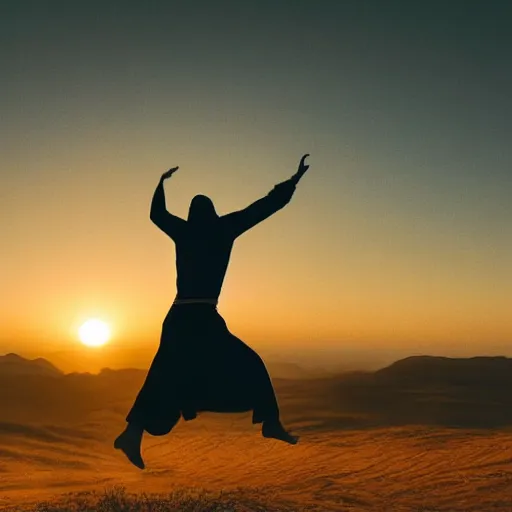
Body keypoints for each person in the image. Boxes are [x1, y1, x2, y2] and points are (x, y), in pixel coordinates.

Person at [114, 154, 311, 469]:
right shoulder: (224, 228)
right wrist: (293, 180)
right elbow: (265, 206)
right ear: (213, 212)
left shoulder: (186, 231)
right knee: (246, 363)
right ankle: (269, 421)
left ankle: (132, 433)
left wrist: (161, 183)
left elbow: (157, 213)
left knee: (163, 375)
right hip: (201, 318)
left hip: (181, 318)